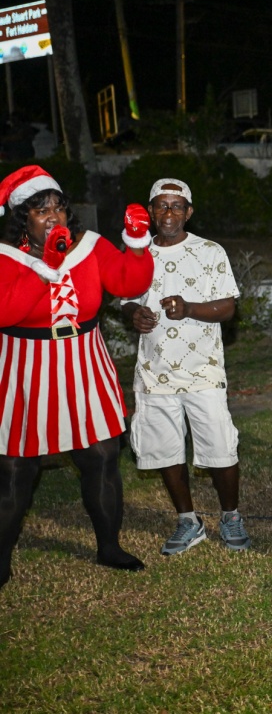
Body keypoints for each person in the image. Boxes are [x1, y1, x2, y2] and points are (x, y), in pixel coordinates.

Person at [0, 165, 154, 588]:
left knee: (102, 457)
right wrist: (45, 267)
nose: (53, 217)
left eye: (58, 208)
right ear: (22, 219)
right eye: (41, 210)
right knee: (16, 471)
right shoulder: (6, 257)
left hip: (84, 362)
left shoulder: (89, 246)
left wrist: (137, 245)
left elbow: (128, 282)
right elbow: (7, 311)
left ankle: (109, 547)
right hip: (26, 369)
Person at [123, 179, 249, 555]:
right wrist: (134, 314)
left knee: (220, 446)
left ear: (188, 212)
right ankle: (188, 521)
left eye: (177, 206)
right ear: (150, 211)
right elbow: (126, 299)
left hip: (203, 370)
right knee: (165, 449)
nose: (169, 213)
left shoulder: (209, 251)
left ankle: (231, 516)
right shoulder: (137, 253)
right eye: (161, 205)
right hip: (154, 370)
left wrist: (190, 308)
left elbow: (228, 307)